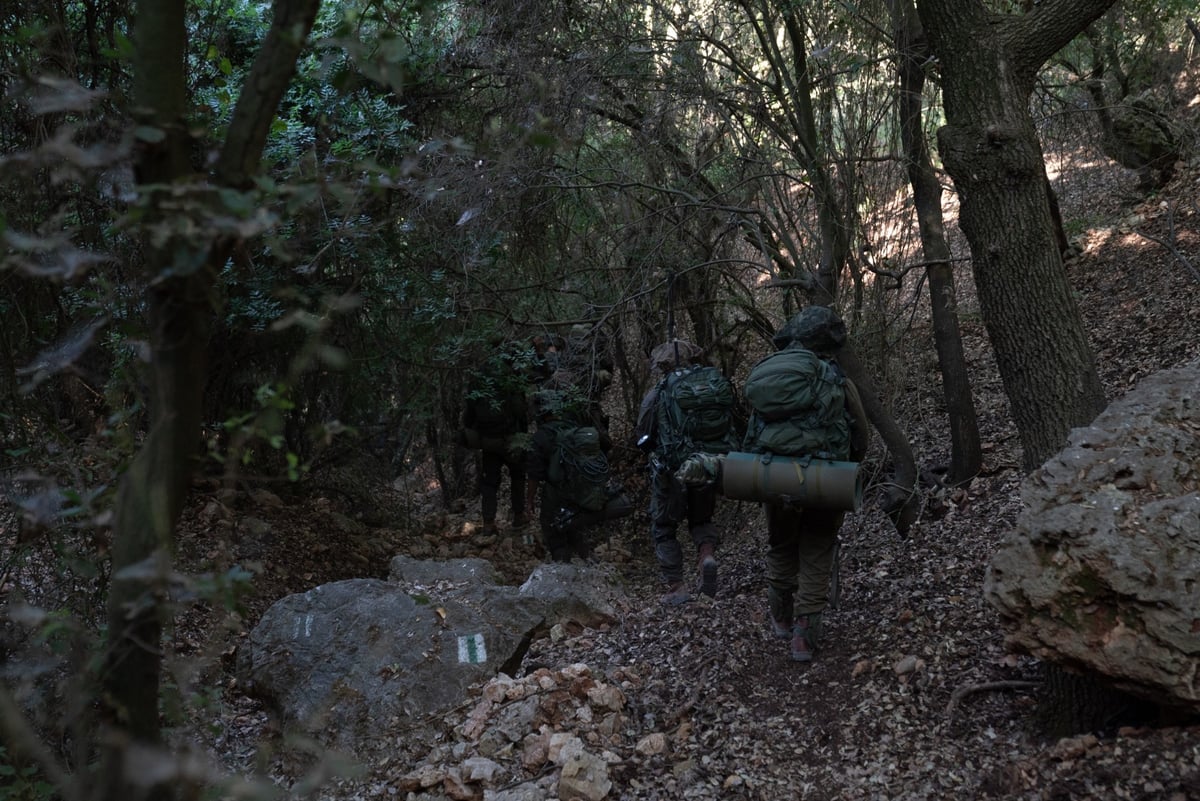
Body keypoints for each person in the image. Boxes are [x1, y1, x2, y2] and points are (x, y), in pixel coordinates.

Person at [744, 306, 870, 662]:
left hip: (773, 474)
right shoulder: (835, 380)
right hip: (823, 478)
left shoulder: (772, 381)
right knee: (817, 548)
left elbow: (753, 432)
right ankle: (803, 634)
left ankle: (780, 619)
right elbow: (861, 433)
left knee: (781, 545)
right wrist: (847, 465)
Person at [634, 339, 740, 605]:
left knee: (663, 527)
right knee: (701, 520)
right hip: (709, 464)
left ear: (663, 364)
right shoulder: (712, 382)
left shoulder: (659, 392)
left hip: (673, 470)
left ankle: (676, 586)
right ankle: (706, 556)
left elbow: (643, 433)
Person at [525, 389, 632, 561]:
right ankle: (586, 562)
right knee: (574, 525)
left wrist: (529, 501)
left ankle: (563, 569)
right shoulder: (574, 427)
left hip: (556, 493)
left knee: (553, 530)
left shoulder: (541, 436)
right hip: (580, 490)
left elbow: (534, 474)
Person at [462, 347, 532, 538]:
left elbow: (469, 412)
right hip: (512, 438)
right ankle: (518, 516)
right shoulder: (512, 376)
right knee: (518, 476)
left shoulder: (480, 377)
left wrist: (475, 430)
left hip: (489, 440)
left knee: (489, 482)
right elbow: (520, 410)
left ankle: (488, 523)